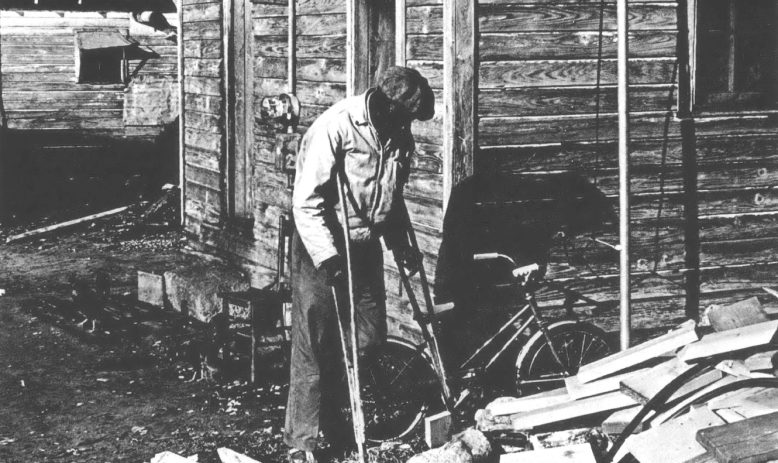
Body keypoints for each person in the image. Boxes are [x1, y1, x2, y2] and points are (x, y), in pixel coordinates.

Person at [285, 66, 435, 463]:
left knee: (369, 339)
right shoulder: (337, 126)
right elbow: (306, 201)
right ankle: (304, 442)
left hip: (364, 247)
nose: (408, 126)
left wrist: (401, 244)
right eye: (405, 117)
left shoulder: (397, 133)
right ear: (385, 105)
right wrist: (328, 257)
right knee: (315, 345)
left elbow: (392, 195)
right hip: (323, 246)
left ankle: (338, 417)